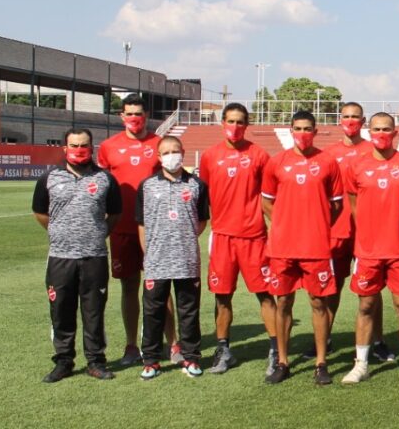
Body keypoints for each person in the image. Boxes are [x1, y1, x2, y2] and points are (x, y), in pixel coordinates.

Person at [339, 112, 399, 387]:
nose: (381, 133)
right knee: (366, 305)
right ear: (368, 130)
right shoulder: (357, 165)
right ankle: (361, 364)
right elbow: (353, 203)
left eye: (386, 129)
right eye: (376, 128)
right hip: (368, 251)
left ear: (395, 132)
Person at [260, 110, 344, 385]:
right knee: (283, 302)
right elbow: (267, 202)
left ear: (316, 131)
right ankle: (282, 361)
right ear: (290, 130)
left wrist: (316, 224)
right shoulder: (276, 163)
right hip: (283, 247)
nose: (303, 133)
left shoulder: (328, 161)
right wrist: (286, 223)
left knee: (318, 303)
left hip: (316, 247)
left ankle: (321, 362)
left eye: (308, 128)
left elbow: (337, 205)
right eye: (298, 128)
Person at [34, 128, 121, 382]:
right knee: (61, 311)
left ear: (92, 147)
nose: (79, 149)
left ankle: (96, 361)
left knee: (94, 312)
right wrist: (59, 232)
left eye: (84, 145)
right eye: (74, 145)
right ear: (65, 148)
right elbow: (40, 212)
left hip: (94, 256)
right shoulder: (49, 178)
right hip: (61, 257)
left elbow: (114, 214)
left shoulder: (105, 179)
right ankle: (63, 361)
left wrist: (96, 234)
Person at [198, 103, 279, 376]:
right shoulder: (209, 156)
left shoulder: (258, 155)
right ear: (222, 123)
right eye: (230, 121)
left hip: (254, 237)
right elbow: (205, 194)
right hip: (222, 238)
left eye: (240, 122)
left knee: (266, 296)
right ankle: (223, 350)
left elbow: (270, 194)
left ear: (247, 125)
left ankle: (276, 350)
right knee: (222, 298)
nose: (235, 126)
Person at [97, 94, 177, 365]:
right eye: (129, 114)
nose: (134, 119)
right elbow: (101, 187)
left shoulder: (158, 144)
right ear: (122, 116)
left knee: (161, 287)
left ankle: (173, 344)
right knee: (129, 286)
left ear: (146, 116)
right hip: (122, 229)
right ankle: (132, 346)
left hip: (156, 230)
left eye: (138, 114)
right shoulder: (108, 147)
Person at [316, 103, 392, 363]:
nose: (351, 121)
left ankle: (379, 341)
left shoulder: (375, 152)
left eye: (356, 117)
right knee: (331, 288)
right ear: (340, 120)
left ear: (363, 122)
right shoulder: (329, 154)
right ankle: (324, 338)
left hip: (368, 235)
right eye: (346, 116)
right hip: (336, 232)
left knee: (372, 291)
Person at [136, 136, 208, 379]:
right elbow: (142, 224)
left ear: (183, 152)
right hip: (156, 261)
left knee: (189, 311)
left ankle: (191, 357)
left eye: (175, 151)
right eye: (166, 152)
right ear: (158, 156)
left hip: (187, 260)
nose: (171, 156)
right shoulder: (147, 186)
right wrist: (150, 252)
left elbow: (201, 222)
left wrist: (183, 239)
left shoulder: (197, 185)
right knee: (153, 312)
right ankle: (151, 360)